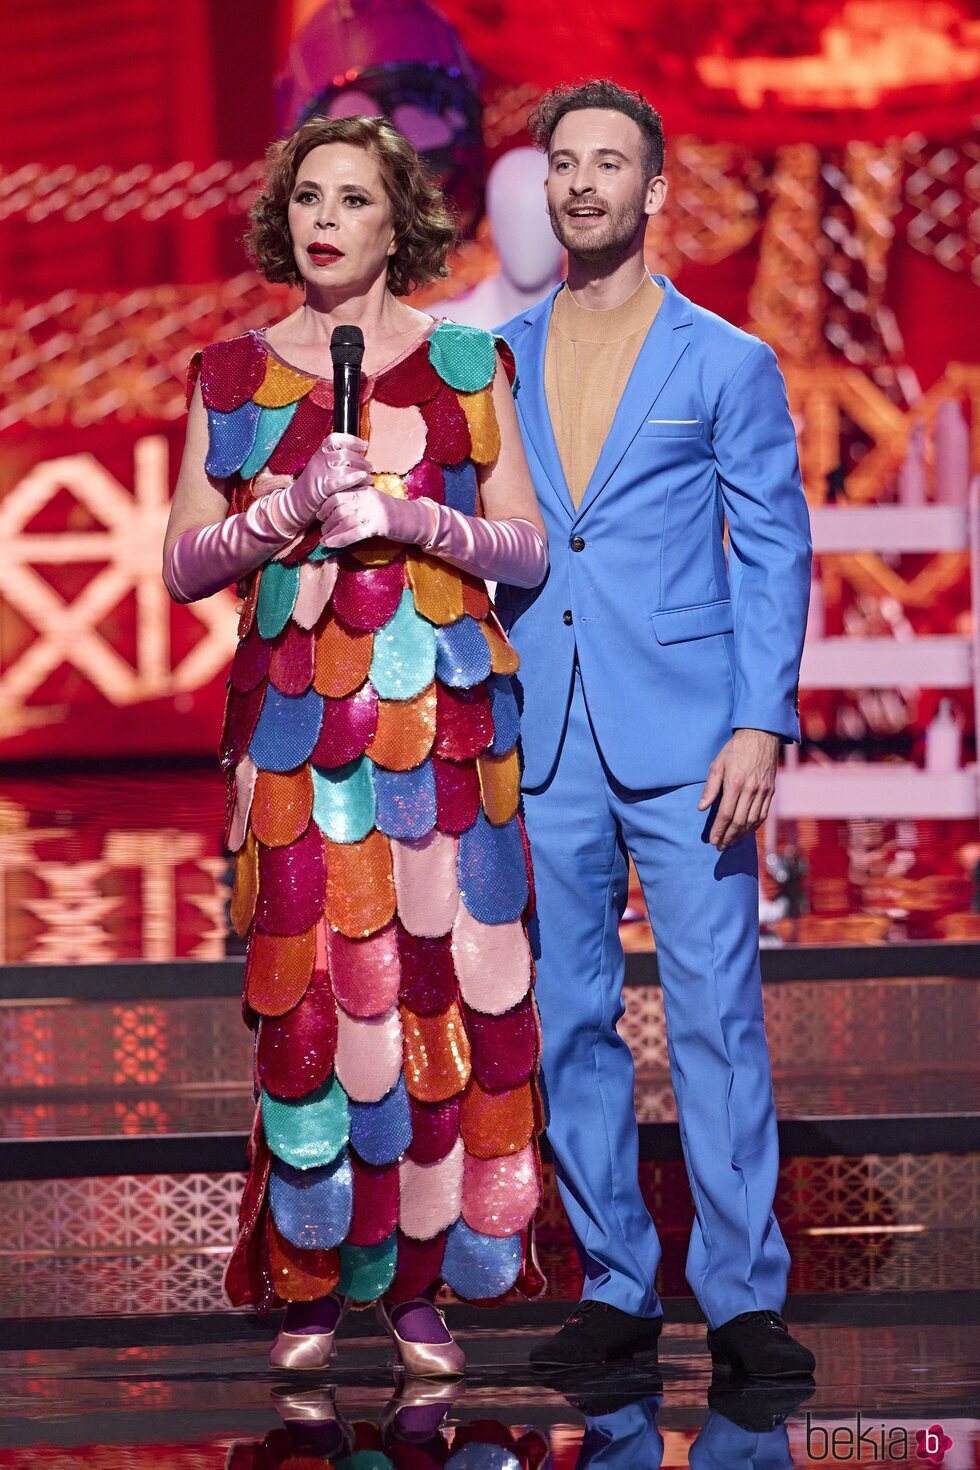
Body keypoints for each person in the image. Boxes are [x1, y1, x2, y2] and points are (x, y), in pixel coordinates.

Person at [162, 114, 549, 1379]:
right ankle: (315, 1274)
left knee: (441, 989)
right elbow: (181, 564)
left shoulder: (465, 360)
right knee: (313, 1001)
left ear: (400, 227)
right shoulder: (229, 371)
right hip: (297, 735)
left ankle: (423, 1285)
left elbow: (526, 546)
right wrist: (280, 512)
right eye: (310, 197)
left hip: (441, 726)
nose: (327, 219)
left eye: (355, 200)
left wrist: (410, 518)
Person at [494, 80, 816, 1381]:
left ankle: (741, 1292)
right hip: (545, 737)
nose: (582, 183)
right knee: (568, 1015)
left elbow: (776, 547)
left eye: (607, 163)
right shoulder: (495, 358)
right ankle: (618, 1280)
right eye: (565, 163)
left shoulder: (726, 359)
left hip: (692, 744)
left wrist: (760, 720)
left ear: (655, 187)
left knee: (715, 1017)